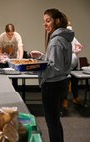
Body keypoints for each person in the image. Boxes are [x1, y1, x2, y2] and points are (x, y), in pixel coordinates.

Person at [30, 8, 74, 142]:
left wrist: (34, 68)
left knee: (52, 124)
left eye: (48, 21)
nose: (45, 24)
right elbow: (58, 63)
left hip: (52, 86)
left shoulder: (55, 40)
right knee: (55, 122)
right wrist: (42, 56)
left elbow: (54, 67)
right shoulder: (64, 38)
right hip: (61, 83)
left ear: (57, 21)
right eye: (44, 21)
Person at [62, 21, 84, 109]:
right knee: (66, 83)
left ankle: (75, 97)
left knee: (75, 82)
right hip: (65, 64)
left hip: (74, 65)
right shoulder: (61, 39)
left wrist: (79, 47)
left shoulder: (73, 37)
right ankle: (64, 100)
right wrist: (73, 50)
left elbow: (78, 45)